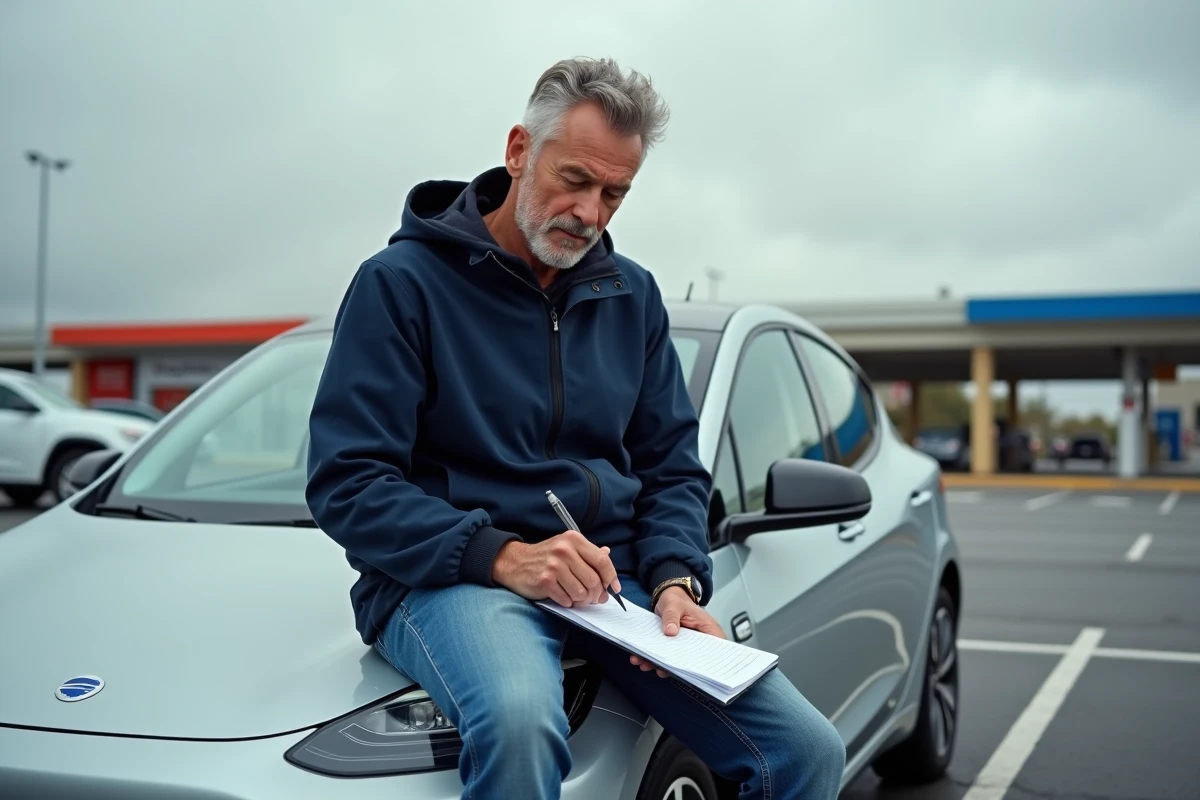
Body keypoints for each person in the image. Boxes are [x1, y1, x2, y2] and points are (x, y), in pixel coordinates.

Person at [305, 56, 846, 799]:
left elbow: (671, 467)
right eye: (575, 180)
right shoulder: (399, 286)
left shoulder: (633, 297)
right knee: (523, 719)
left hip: (613, 590)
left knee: (809, 752)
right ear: (520, 150)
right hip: (450, 578)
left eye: (615, 194)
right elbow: (348, 481)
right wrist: (502, 555)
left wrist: (676, 578)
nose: (591, 213)